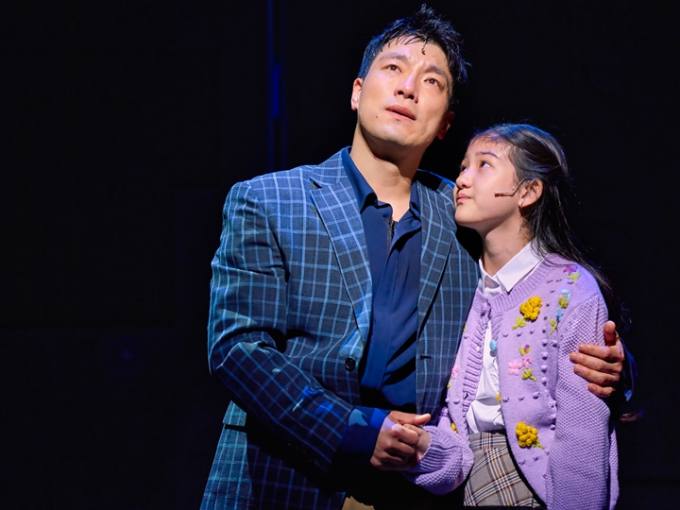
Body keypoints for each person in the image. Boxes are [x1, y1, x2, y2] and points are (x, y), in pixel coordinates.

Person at [201, 6, 628, 509]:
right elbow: (238, 348)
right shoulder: (270, 200)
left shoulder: (466, 215)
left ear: (445, 123)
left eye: (432, 81)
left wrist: (609, 367)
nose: (408, 89)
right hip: (281, 477)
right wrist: (353, 432)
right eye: (393, 68)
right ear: (357, 92)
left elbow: (542, 297)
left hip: (417, 486)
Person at [404, 124, 620, 509]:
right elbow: (455, 440)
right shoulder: (459, 288)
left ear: (528, 191)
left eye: (483, 165)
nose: (462, 179)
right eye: (463, 166)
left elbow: (582, 434)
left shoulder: (571, 290)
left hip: (540, 491)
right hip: (466, 491)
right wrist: (420, 447)